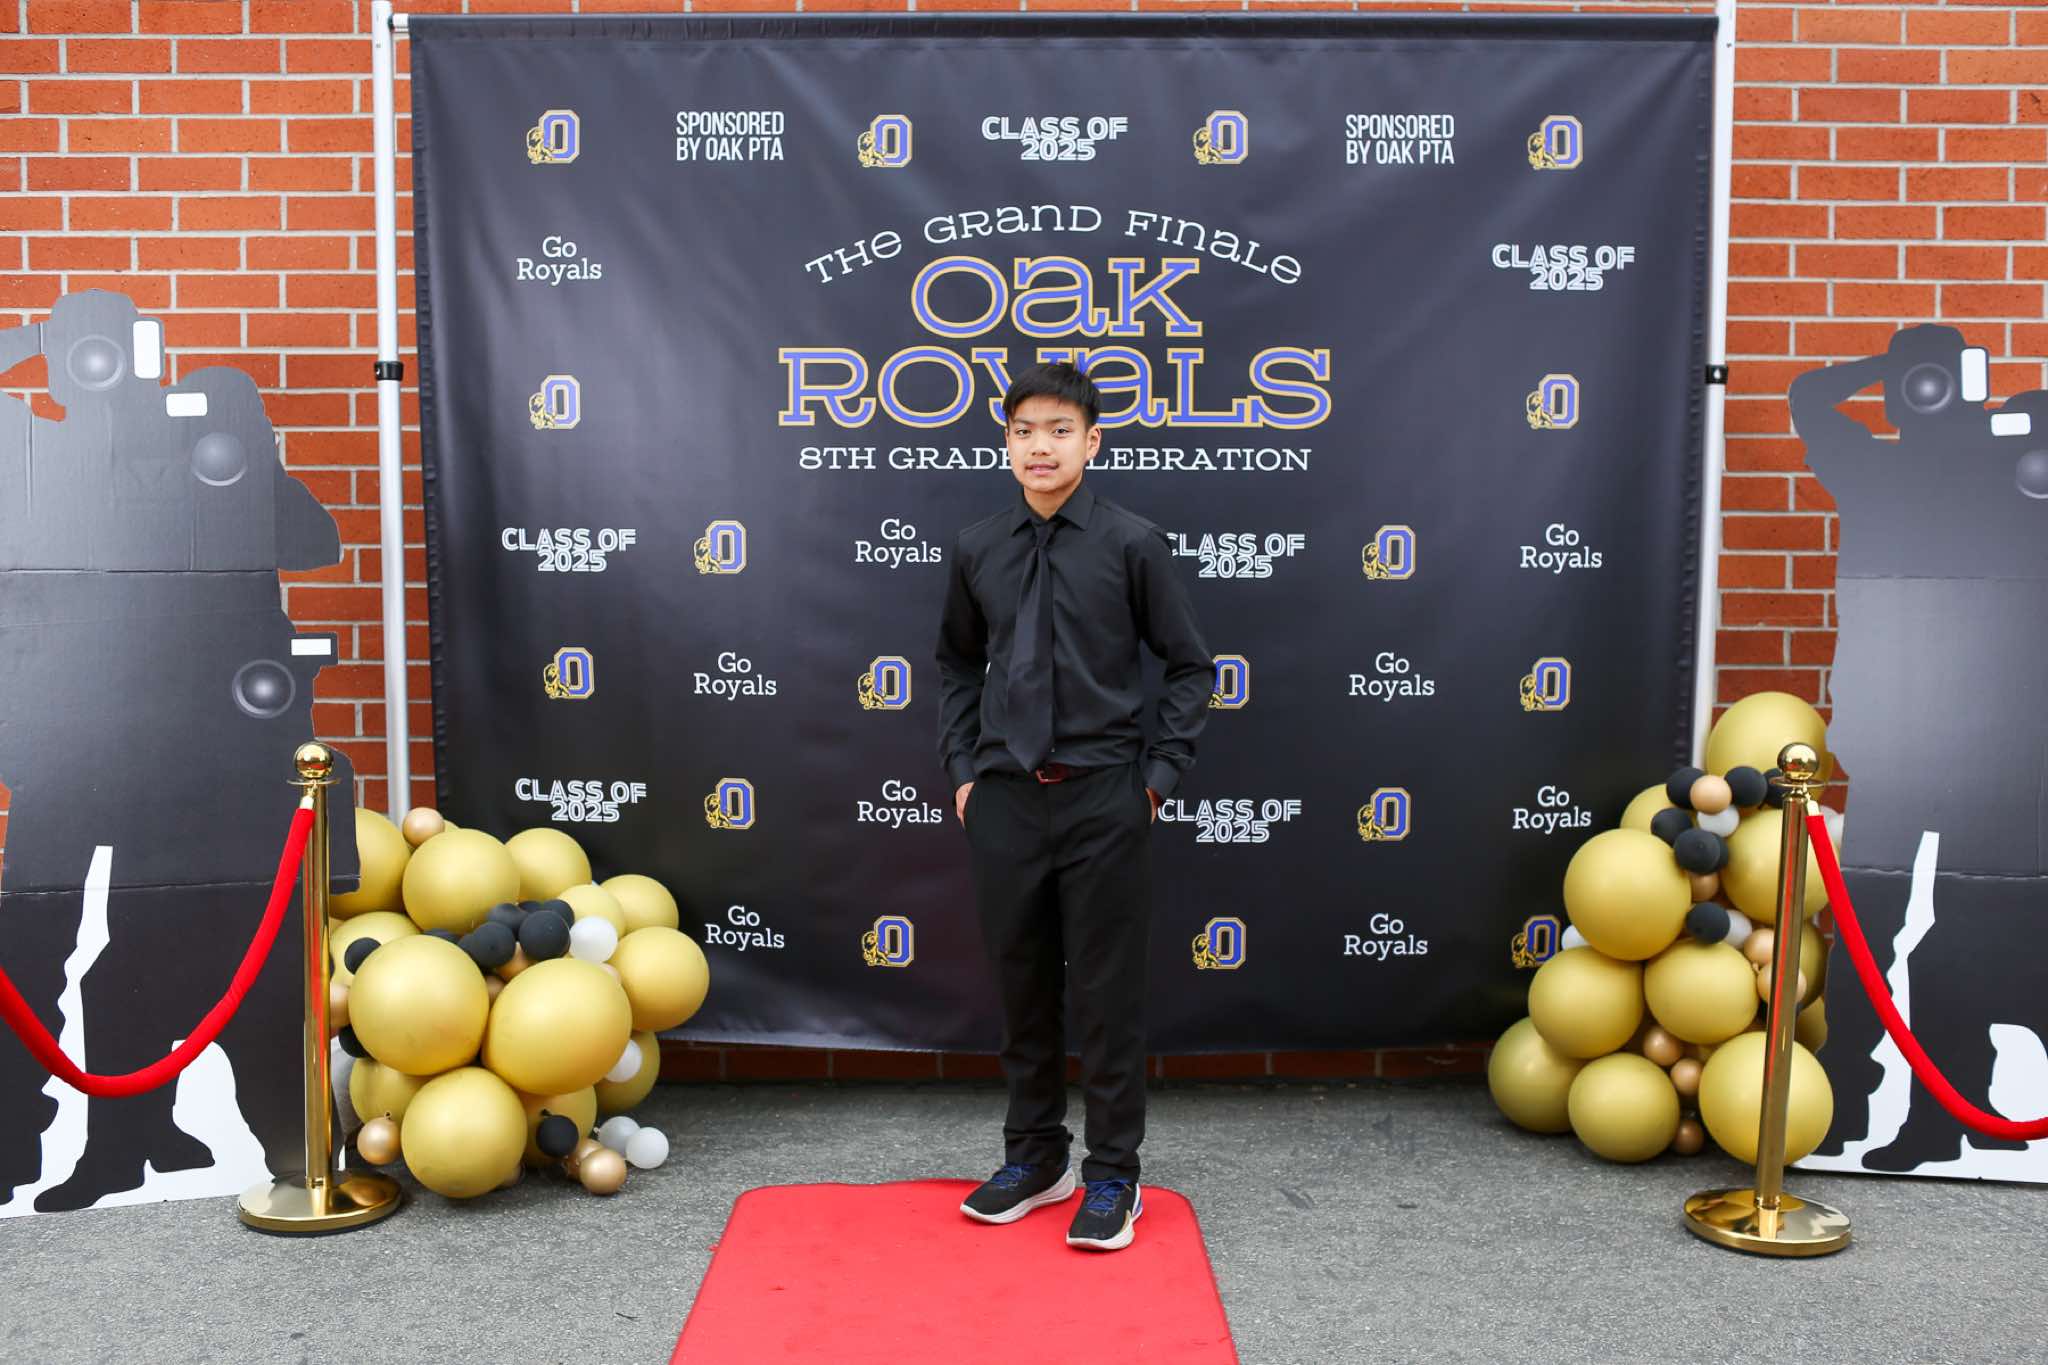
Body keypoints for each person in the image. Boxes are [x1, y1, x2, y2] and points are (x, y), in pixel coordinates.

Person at [935, 361, 1212, 1251]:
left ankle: (1114, 1173)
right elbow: (955, 665)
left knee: (1105, 995)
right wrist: (964, 772)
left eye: (1059, 430)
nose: (1040, 446)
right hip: (1005, 799)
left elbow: (1189, 667)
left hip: (1104, 797)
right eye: (1024, 431)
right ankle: (1034, 1156)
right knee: (1023, 989)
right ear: (1006, 442)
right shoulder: (978, 546)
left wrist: (1156, 780)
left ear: (1092, 442)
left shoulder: (1133, 544)